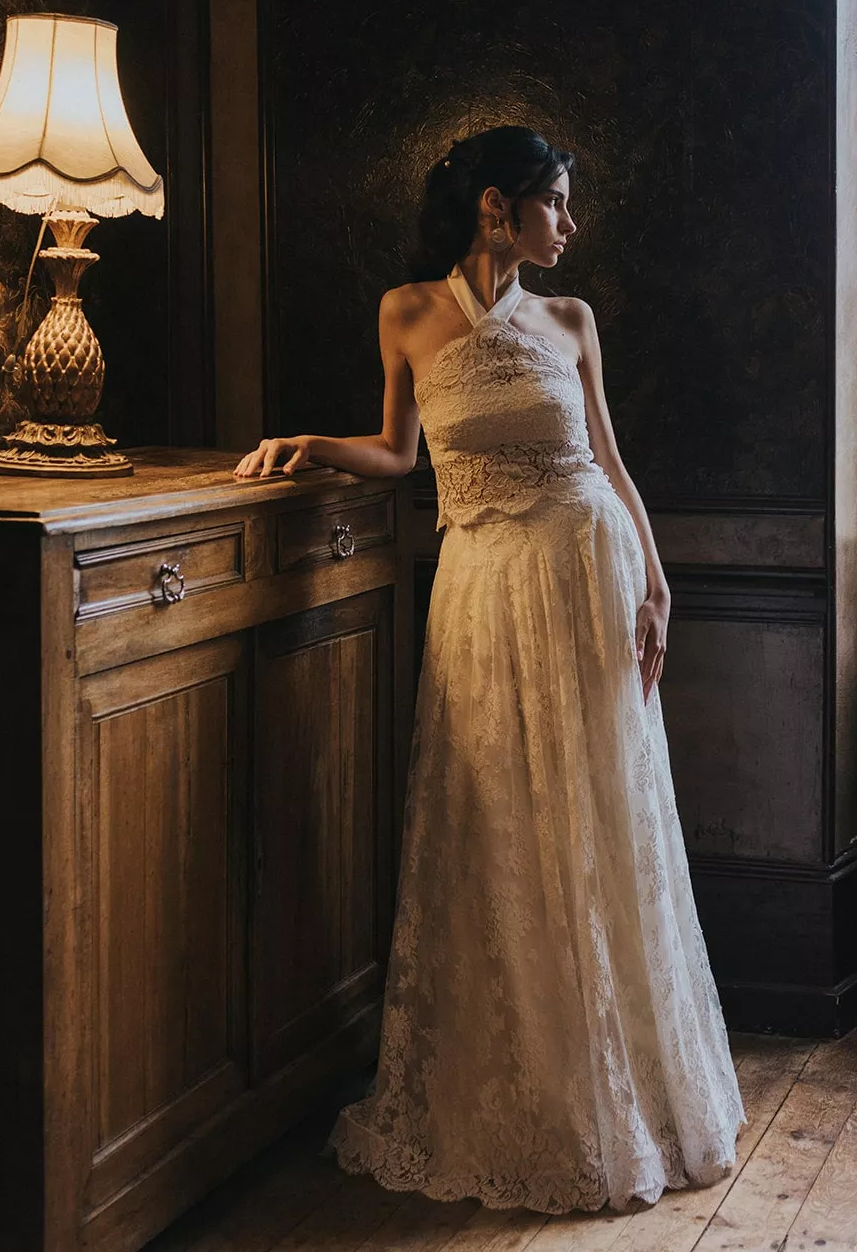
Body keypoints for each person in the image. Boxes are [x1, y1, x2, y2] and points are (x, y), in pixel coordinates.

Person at [234, 126, 746, 1214]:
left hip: (581, 571)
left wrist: (656, 582)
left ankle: (623, 1090)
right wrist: (309, 444)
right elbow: (398, 455)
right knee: (494, 823)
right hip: (477, 589)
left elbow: (607, 458)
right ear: (493, 209)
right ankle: (520, 1083)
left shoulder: (570, 319)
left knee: (597, 817)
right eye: (555, 202)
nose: (570, 223)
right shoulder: (406, 312)